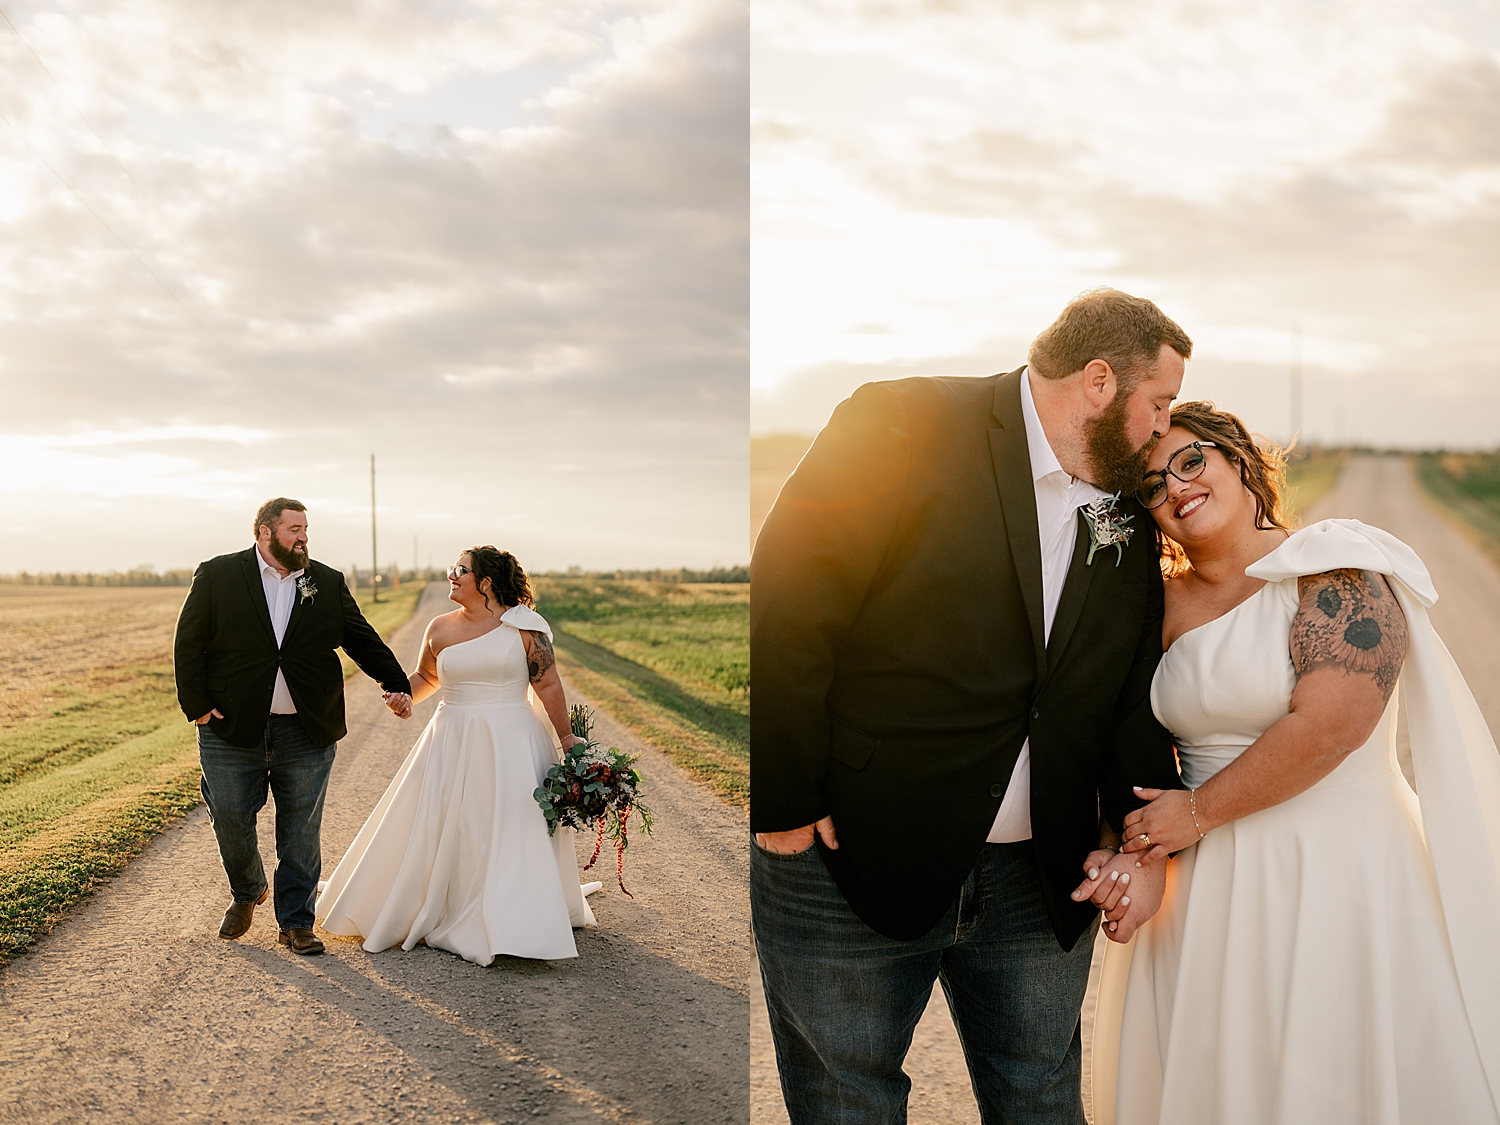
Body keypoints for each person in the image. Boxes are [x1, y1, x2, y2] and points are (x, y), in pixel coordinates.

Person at [751, 289, 1193, 1123]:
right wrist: (784, 800)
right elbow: (789, 598)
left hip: (1039, 881)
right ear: (1099, 380)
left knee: (1041, 1103)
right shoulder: (902, 424)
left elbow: (1128, 689)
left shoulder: (1125, 508)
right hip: (853, 861)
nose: (1162, 429)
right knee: (848, 1100)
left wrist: (1140, 843)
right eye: (1158, 403)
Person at [1084, 403, 1500, 1124]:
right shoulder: (1156, 604)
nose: (1176, 487)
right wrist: (1128, 849)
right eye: (1152, 485)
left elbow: (1335, 724)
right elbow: (1121, 735)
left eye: (1191, 460)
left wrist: (1195, 812)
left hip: (1342, 871)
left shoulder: (1332, 566)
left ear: (1239, 459)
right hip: (1207, 891)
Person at [316, 546, 599, 965]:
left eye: (459, 570)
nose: (451, 575)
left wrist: (566, 737)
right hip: (450, 737)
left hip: (512, 740)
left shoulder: (525, 627)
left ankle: (513, 914)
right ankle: (447, 902)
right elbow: (428, 676)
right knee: (450, 822)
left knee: (508, 823)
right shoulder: (439, 628)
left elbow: (549, 684)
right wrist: (405, 697)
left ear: (485, 582)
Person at [173, 497, 413, 955]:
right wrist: (198, 707)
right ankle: (248, 889)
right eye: (293, 529)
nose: (303, 537)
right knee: (228, 814)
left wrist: (395, 682)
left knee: (301, 829)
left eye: (305, 529)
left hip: (306, 728)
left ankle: (296, 922)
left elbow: (359, 636)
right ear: (263, 532)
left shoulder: (325, 581)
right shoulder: (219, 574)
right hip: (230, 728)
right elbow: (189, 644)